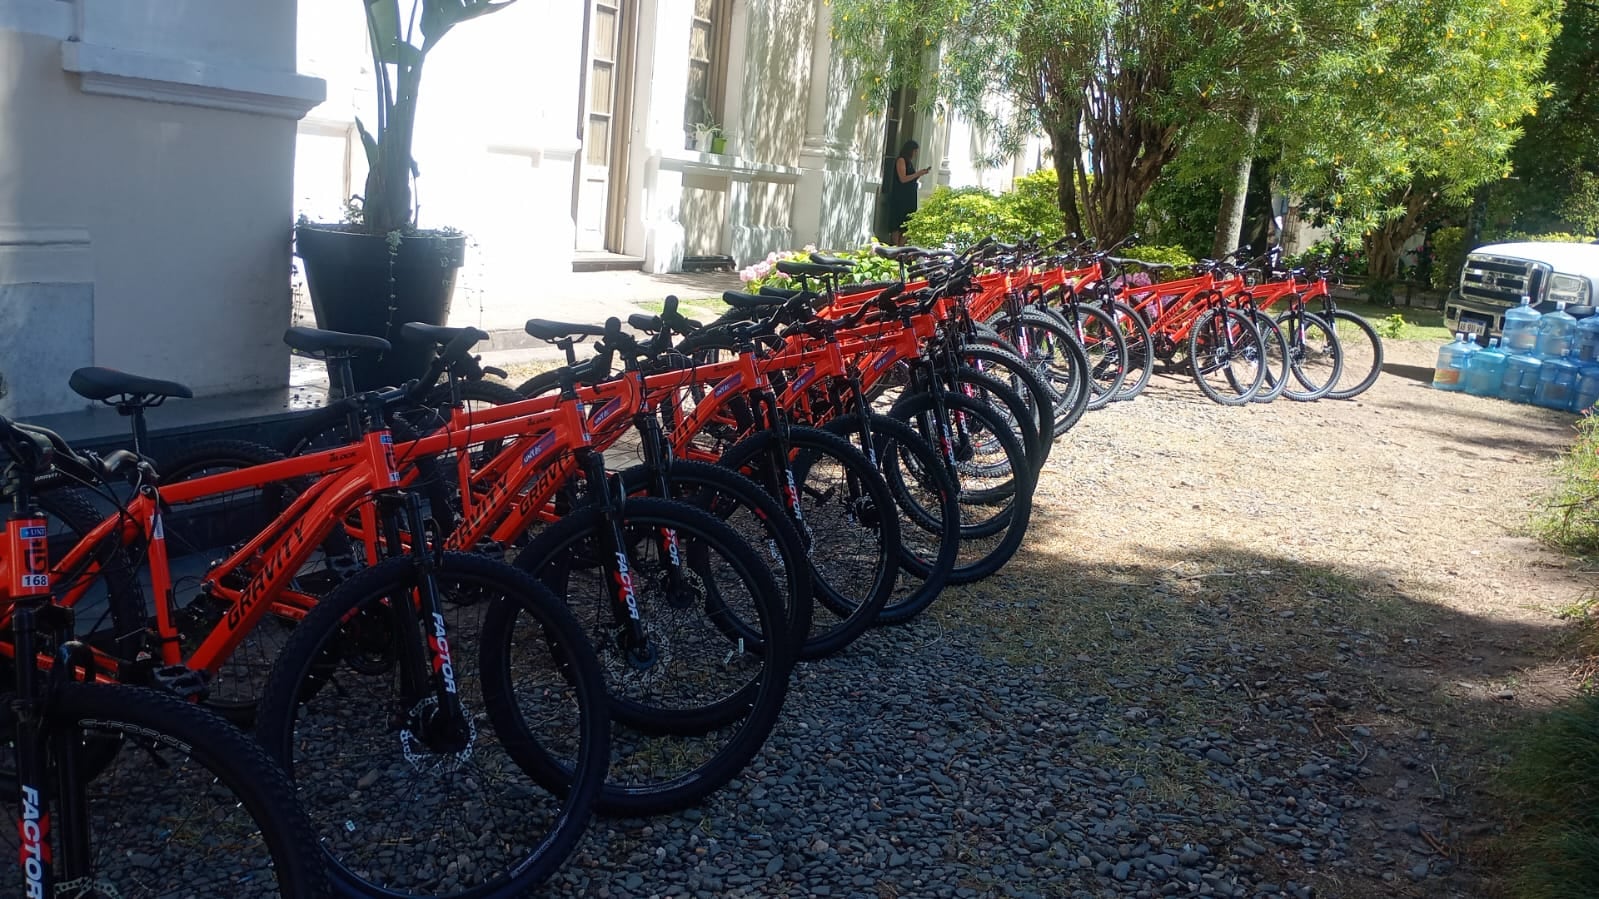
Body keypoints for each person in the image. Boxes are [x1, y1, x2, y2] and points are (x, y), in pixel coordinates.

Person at [886, 140, 930, 246]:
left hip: (909, 198)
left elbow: (910, 179)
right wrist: (917, 173)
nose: (915, 154)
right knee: (898, 224)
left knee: (908, 224)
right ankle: (896, 248)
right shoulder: (901, 160)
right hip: (901, 198)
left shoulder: (909, 163)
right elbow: (903, 179)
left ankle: (901, 248)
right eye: (915, 151)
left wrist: (920, 174)